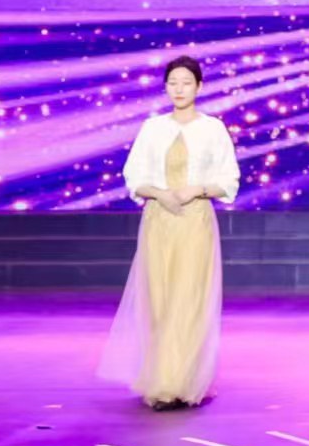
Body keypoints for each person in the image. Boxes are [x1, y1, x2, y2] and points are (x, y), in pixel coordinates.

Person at [98, 55, 240, 412]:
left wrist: (197, 189)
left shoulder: (212, 129)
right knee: (159, 299)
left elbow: (229, 179)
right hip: (159, 219)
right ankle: (161, 379)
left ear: (199, 87)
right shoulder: (153, 128)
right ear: (165, 88)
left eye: (186, 82)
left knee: (189, 299)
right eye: (173, 83)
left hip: (195, 220)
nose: (179, 89)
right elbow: (134, 176)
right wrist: (158, 193)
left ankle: (183, 381)